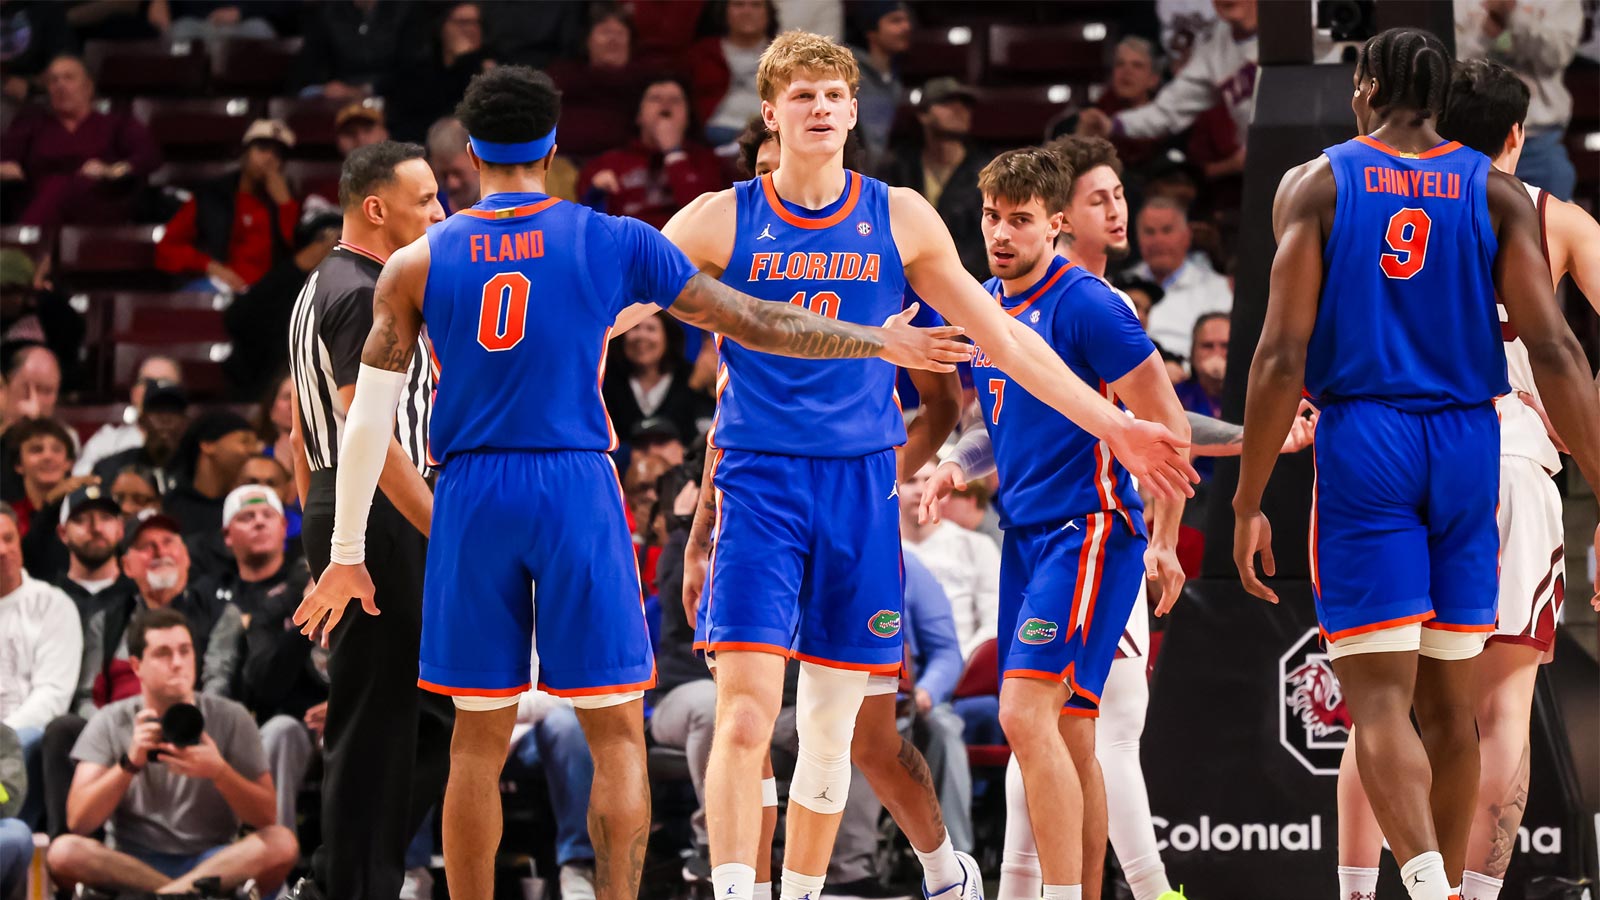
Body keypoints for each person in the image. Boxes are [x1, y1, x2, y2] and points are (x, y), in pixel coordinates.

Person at [294, 64, 972, 900]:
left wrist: (347, 549)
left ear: (468, 154)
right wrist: (877, 343)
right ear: (554, 147)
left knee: (475, 737)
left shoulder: (415, 261)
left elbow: (365, 423)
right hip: (575, 483)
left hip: (469, 489)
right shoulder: (615, 239)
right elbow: (757, 320)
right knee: (615, 731)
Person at [665, 32, 1194, 900]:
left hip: (864, 488)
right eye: (802, 96)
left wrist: (1119, 428)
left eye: (836, 95)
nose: (823, 109)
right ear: (771, 112)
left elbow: (1006, 347)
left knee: (844, 733)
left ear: (853, 110)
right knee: (748, 713)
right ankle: (739, 889)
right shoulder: (718, 219)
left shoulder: (900, 215)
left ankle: (935, 873)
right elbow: (611, 302)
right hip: (759, 481)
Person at [1232, 28, 1600, 900]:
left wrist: (1247, 498)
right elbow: (1556, 352)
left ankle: (1425, 891)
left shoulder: (1318, 181)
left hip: (1371, 441)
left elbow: (1281, 354)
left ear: (1363, 87)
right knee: (1452, 707)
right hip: (1473, 442)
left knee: (1379, 701)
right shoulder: (1500, 193)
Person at [916, 146, 1191, 900]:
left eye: (1021, 221)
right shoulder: (981, 302)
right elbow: (988, 424)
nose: (1002, 234)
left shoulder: (1092, 305)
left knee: (1023, 713)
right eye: (992, 218)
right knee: (1071, 734)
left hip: (1091, 528)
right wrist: (951, 465)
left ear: (1057, 225)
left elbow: (1167, 427)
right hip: (1026, 538)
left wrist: (1165, 540)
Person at [282, 141, 451, 900]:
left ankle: (354, 874)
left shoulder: (323, 283)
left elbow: (297, 431)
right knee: (385, 716)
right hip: (382, 504)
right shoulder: (362, 291)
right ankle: (345, 885)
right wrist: (441, 527)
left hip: (340, 500)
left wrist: (319, 530)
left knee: (421, 712)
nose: (440, 213)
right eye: (426, 200)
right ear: (376, 209)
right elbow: (369, 434)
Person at [46, 607, 299, 896]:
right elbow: (79, 821)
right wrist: (129, 764)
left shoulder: (232, 717)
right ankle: (182, 894)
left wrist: (220, 772)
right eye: (163, 653)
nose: (178, 663)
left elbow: (266, 817)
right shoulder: (111, 719)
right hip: (132, 862)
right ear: (136, 665)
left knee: (282, 842)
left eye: (185, 651)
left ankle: (168, 895)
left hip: (215, 860)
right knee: (63, 851)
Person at [195, 484, 318, 833]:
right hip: (245, 718)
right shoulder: (211, 594)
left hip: (314, 717)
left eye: (268, 516)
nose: (259, 523)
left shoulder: (314, 579)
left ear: (283, 526)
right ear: (227, 535)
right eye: (247, 517)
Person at [1077, 0, 1258, 182]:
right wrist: (1113, 124)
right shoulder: (1212, 49)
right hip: (1262, 162)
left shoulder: (1285, 22)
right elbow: (1168, 111)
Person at [0, 54, 161, 230]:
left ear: (88, 87)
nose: (60, 85)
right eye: (53, 81)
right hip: (40, 201)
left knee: (65, 186)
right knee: (56, 186)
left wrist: (112, 170)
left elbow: (149, 156)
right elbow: (6, 162)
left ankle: (27, 248)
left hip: (99, 206)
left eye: (69, 78)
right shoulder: (32, 124)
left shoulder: (116, 122)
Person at [0, 503, 82, 828]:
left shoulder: (53, 604)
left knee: (31, 739)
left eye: (8, 539)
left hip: (20, 742)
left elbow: (52, 695)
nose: (1, 551)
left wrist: (2, 738)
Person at [1454, 0, 1583, 201]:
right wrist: (1486, 35)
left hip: (1537, 139)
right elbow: (1451, 59)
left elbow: (1557, 55)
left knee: (1554, 195)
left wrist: (1513, 17)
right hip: (1471, 138)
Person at [154, 119, 301, 294]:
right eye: (262, 148)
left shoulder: (291, 203)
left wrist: (286, 205)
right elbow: (167, 247)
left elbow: (303, 255)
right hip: (218, 288)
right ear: (245, 153)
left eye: (278, 154)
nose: (269, 158)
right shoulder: (211, 196)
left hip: (268, 296)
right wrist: (210, 266)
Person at [578, 76, 725, 229]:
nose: (665, 104)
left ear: (688, 117)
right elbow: (587, 226)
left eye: (675, 100)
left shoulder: (707, 161)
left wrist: (674, 154)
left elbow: (707, 219)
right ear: (639, 116)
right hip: (627, 245)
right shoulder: (606, 163)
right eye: (655, 99)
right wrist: (595, 193)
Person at [888, 78, 988, 280]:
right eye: (947, 103)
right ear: (923, 115)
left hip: (969, 283)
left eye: (965, 104)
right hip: (905, 280)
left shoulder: (987, 171)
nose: (959, 110)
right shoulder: (898, 167)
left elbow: (982, 247)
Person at [899, 461, 998, 659]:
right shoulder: (882, 551)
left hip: (966, 668)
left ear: (947, 492)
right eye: (911, 481)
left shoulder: (977, 546)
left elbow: (995, 620)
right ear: (895, 491)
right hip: (897, 669)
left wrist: (958, 664)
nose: (921, 490)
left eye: (929, 481)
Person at [1122, 196, 1232, 354]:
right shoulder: (1118, 287)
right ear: (1138, 238)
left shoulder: (1218, 290)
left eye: (1167, 230)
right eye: (1149, 232)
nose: (1158, 240)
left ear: (1187, 236)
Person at [383, 3, 490, 144]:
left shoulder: (489, 70)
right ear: (442, 27)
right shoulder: (417, 72)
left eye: (476, 23)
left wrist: (468, 62)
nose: (471, 29)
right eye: (463, 23)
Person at [602, 311, 713, 446]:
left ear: (668, 337)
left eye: (651, 329)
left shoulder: (693, 380)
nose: (641, 336)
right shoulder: (605, 383)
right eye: (635, 328)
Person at [75, 357, 182, 478]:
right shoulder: (106, 442)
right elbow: (80, 484)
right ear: (134, 392)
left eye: (165, 382)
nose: (154, 390)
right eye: (147, 382)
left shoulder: (194, 446)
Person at [162, 411, 262, 540]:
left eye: (255, 443)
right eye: (245, 441)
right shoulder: (171, 505)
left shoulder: (250, 505)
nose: (255, 450)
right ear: (208, 445)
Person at [690, 0, 778, 146]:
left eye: (756, 5)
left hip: (769, 134)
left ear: (768, 13)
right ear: (724, 12)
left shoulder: (784, 55)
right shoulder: (702, 53)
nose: (747, 12)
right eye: (738, 5)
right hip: (714, 133)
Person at [92, 381, 190, 496]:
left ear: (185, 422)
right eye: (157, 411)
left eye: (174, 412)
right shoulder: (112, 467)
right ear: (142, 420)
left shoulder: (197, 469)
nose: (165, 419)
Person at [52, 483, 134, 620]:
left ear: (120, 529)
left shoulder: (137, 598)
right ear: (63, 533)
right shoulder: (47, 599)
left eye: (105, 518)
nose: (97, 528)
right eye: (81, 520)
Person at [847, 1, 910, 173]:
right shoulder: (850, 73)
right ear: (871, 31)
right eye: (895, 21)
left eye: (906, 20)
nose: (906, 27)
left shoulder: (897, 78)